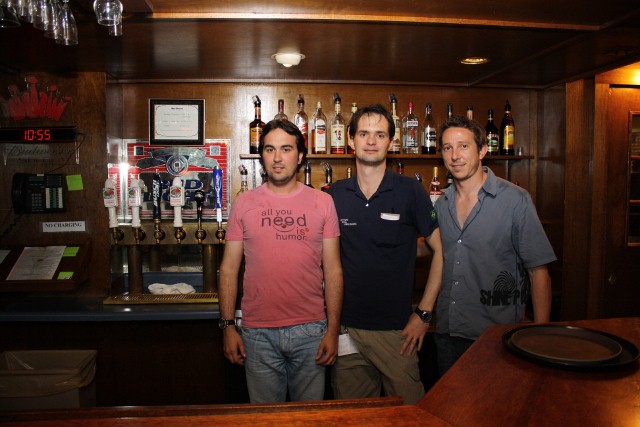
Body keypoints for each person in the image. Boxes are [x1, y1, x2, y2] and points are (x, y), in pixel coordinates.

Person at [218, 119, 343, 403]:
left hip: (311, 330)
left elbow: (333, 270)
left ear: (300, 156)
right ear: (261, 155)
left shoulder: (323, 202)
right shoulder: (244, 203)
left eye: (286, 149)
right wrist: (227, 326)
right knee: (265, 420)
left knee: (308, 420)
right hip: (257, 333)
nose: (277, 157)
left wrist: (333, 330)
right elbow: (228, 269)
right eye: (269, 149)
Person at [327, 104, 443, 405]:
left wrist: (424, 314)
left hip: (397, 331)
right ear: (350, 139)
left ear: (391, 142)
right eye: (363, 133)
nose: (371, 141)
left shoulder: (410, 191)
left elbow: (441, 251)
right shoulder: (334, 195)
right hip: (346, 330)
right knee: (353, 418)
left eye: (380, 134)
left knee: (410, 415)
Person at [432, 114, 556, 375]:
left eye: (463, 146)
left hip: (496, 335)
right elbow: (435, 250)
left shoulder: (515, 200)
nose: (455, 155)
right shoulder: (442, 203)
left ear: (482, 151)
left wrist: (541, 334)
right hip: (448, 332)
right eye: (447, 148)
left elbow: (538, 271)